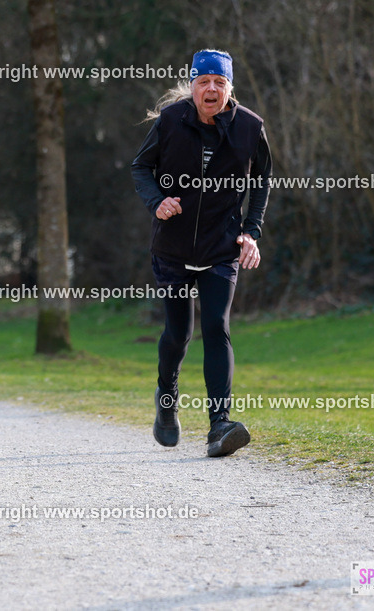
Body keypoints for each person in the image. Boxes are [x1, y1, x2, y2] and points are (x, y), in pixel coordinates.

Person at [131, 49, 272, 457]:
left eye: (219, 82)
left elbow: (262, 180)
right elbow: (141, 167)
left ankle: (219, 425)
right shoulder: (171, 121)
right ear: (192, 85)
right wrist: (157, 200)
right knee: (179, 334)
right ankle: (166, 400)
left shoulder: (249, 127)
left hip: (221, 249)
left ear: (230, 88)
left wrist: (251, 232)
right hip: (172, 250)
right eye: (203, 81)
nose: (211, 89)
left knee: (216, 327)